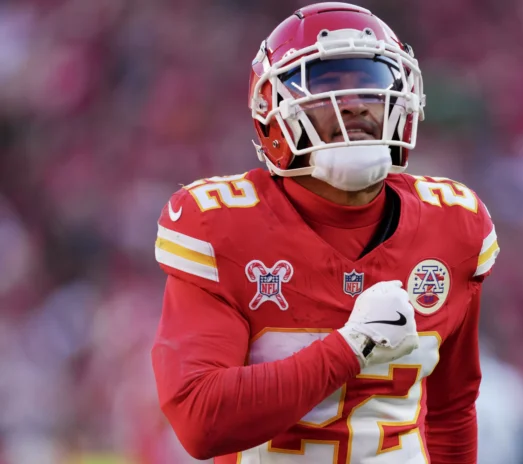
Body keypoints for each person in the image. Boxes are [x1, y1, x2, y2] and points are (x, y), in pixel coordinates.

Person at [151, 3, 500, 463]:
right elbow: (201, 420)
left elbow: (450, 412)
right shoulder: (221, 228)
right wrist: (350, 348)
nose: (355, 102)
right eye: (326, 85)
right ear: (273, 111)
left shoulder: (453, 225)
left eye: (371, 84)